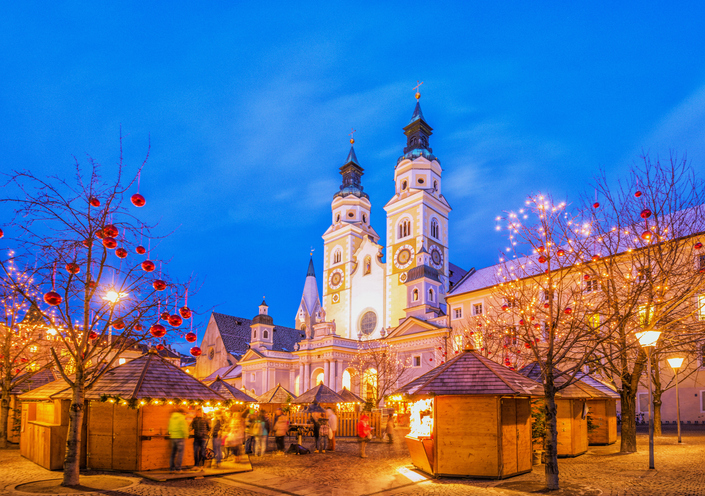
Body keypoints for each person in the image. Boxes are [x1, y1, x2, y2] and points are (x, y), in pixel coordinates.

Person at [168, 408, 188, 473]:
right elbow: (183, 428)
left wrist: (172, 433)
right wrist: (186, 435)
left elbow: (169, 428)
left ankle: (171, 469)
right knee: (180, 453)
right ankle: (178, 469)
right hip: (180, 437)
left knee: (173, 453)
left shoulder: (172, 418)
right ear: (182, 413)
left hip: (173, 437)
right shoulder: (182, 418)